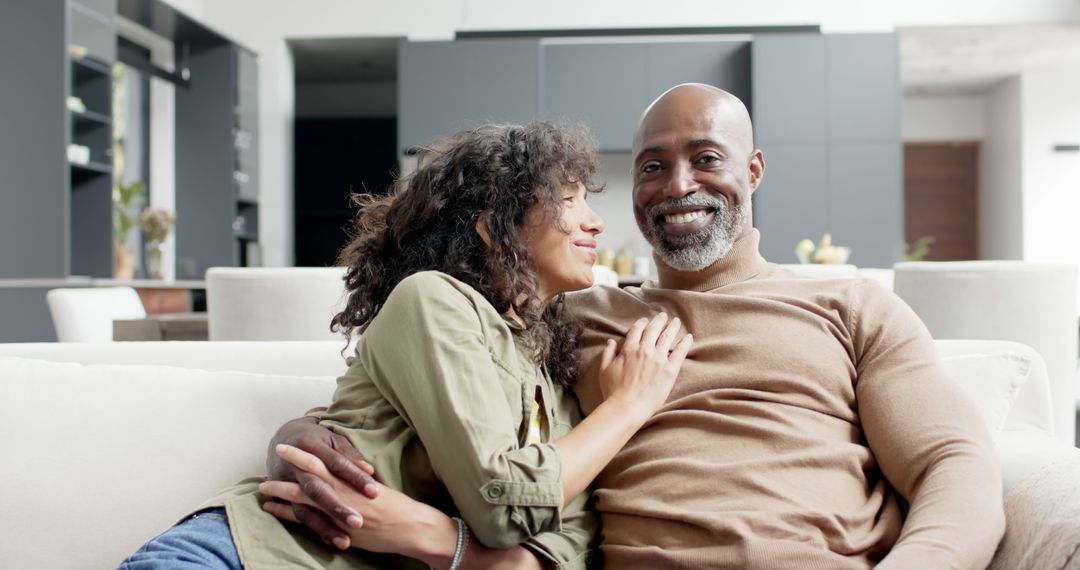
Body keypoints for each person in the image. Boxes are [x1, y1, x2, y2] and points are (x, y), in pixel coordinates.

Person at [263, 83, 1007, 569]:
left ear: (752, 171)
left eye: (705, 158)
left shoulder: (850, 306)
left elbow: (956, 466)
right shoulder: (569, 320)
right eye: (652, 166)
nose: (677, 185)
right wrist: (297, 437)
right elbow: (425, 395)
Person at [119, 122, 693, 569]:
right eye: (569, 200)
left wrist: (435, 538)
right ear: (494, 229)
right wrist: (629, 406)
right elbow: (504, 507)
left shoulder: (553, 370)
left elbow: (563, 553)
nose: (595, 221)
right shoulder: (434, 300)